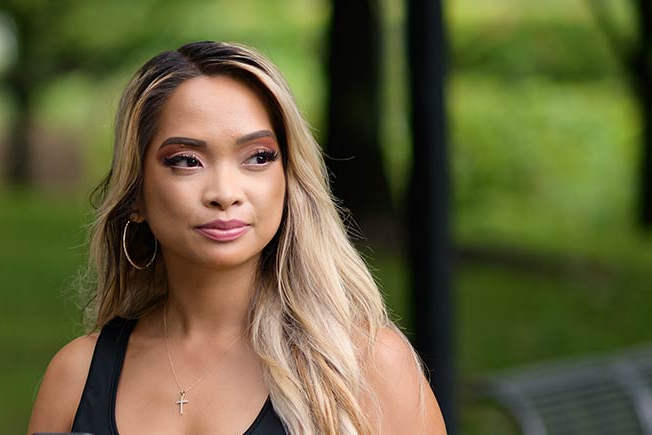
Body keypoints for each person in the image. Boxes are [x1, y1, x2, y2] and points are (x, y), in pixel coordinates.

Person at [25, 41, 446, 435]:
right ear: (135, 195)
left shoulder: (367, 368)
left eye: (258, 157)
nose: (225, 193)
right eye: (186, 160)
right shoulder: (75, 377)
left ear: (289, 181)